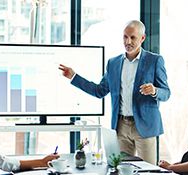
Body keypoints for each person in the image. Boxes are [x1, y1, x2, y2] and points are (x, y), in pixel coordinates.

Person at [59, 20, 170, 164]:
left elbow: (166, 93)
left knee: (149, 171)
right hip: (121, 126)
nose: (128, 41)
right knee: (121, 170)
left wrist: (154, 91)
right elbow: (99, 91)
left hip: (145, 126)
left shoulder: (154, 61)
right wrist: (74, 76)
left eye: (133, 37)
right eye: (125, 37)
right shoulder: (113, 63)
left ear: (142, 38)